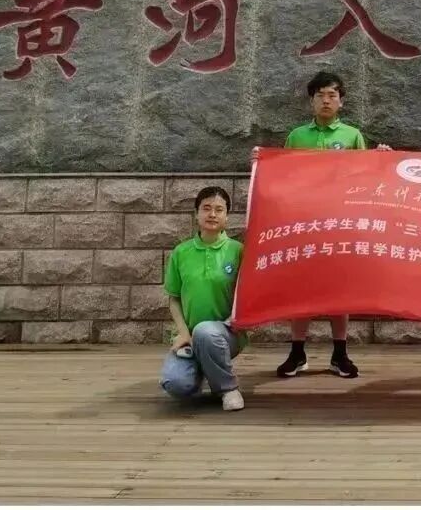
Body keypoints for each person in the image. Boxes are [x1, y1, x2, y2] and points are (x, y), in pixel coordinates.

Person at [252, 70, 389, 379]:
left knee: (339, 289)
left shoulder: (352, 136)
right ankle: (297, 352)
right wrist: (261, 162)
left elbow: (368, 178)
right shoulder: (296, 137)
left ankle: (340, 353)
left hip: (341, 223)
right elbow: (282, 177)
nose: (326, 101)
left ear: (341, 102)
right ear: (311, 101)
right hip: (305, 223)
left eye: (332, 95)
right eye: (320, 96)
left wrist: (381, 159)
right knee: (301, 288)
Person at [159, 185, 246, 411]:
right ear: (197, 214)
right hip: (189, 336)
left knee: (206, 332)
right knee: (176, 384)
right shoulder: (181, 252)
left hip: (227, 333)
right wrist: (183, 333)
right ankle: (205, 368)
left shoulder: (238, 251)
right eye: (206, 208)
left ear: (227, 216)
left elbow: (249, 293)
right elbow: (174, 298)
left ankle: (228, 388)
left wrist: (238, 320)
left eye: (219, 209)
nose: (212, 214)